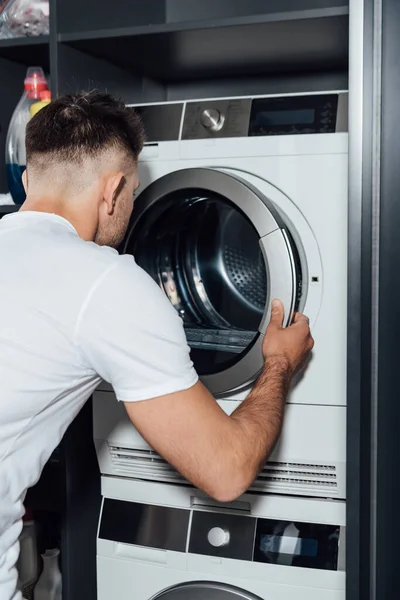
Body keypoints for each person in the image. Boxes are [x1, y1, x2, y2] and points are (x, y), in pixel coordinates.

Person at [0, 92, 314, 600]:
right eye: (133, 195)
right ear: (115, 190)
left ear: (29, 180)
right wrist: (277, 361)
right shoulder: (104, 283)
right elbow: (227, 472)